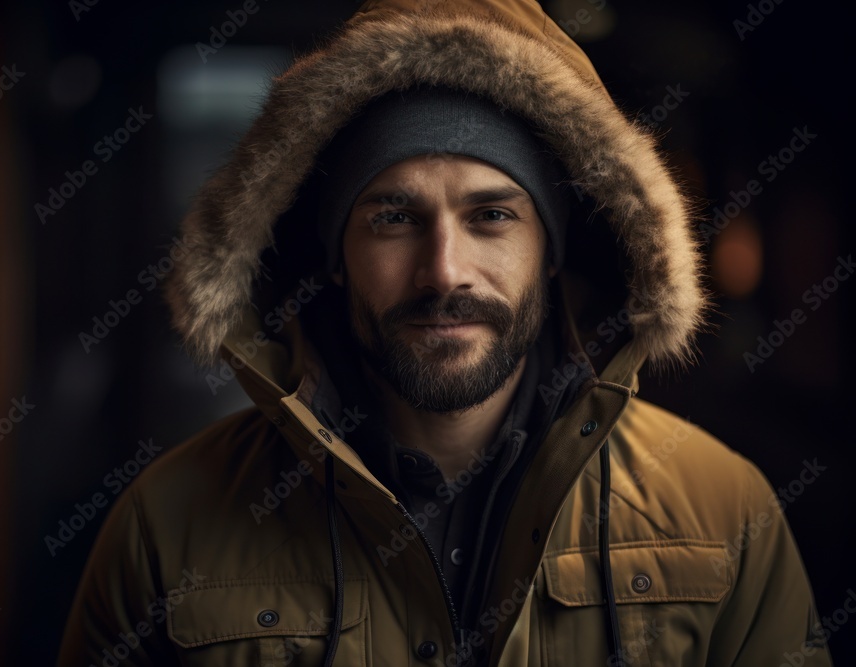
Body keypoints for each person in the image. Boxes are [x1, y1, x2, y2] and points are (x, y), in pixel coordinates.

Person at [58, 0, 833, 665]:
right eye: (393, 217)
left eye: (492, 215)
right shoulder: (166, 523)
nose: (444, 271)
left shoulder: (722, 508)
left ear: (552, 251)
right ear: (333, 256)